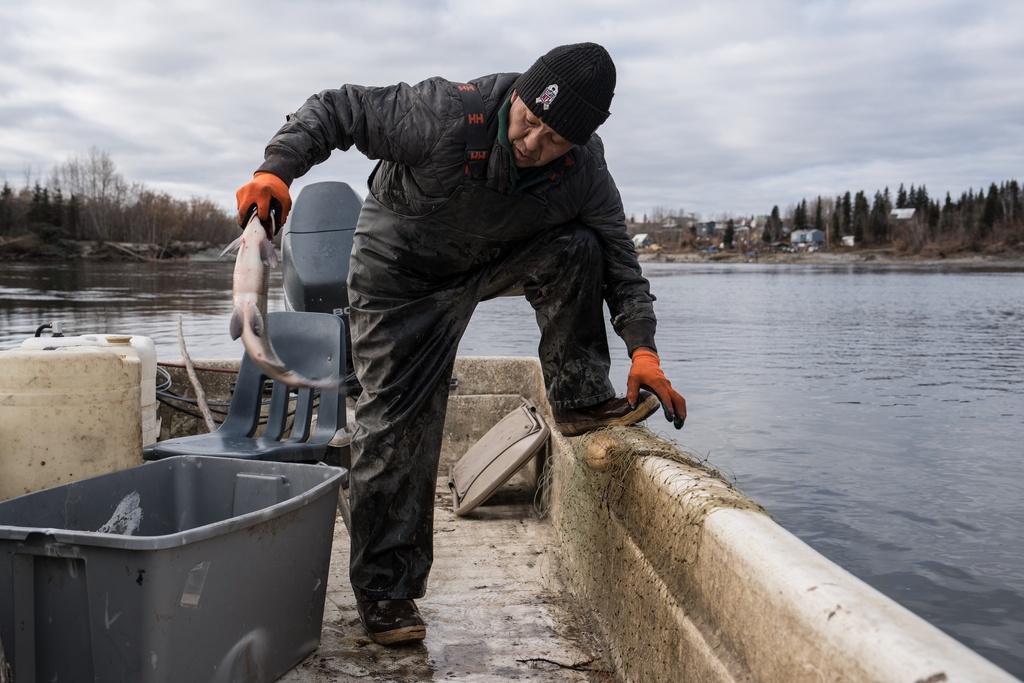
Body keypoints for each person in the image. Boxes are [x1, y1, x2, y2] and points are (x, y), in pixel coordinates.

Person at [235, 42, 687, 646]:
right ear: (521, 92)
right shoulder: (443, 113)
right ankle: (385, 589)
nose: (531, 143)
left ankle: (579, 397)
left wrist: (643, 349)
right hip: (398, 277)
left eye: (553, 139)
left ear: (578, 142)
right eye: (529, 119)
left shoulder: (585, 171)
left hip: (485, 262)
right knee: (397, 422)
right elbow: (337, 109)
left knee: (581, 248)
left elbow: (621, 260)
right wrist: (277, 168)